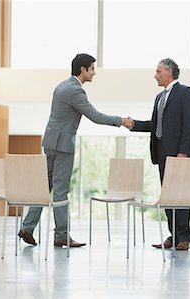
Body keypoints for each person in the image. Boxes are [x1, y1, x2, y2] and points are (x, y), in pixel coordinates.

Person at [18, 53, 134, 247]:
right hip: (63, 146)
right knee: (60, 191)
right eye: (92, 69)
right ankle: (61, 235)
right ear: (83, 69)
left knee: (43, 188)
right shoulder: (75, 91)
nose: (94, 73)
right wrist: (121, 121)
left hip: (50, 143)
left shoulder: (61, 86)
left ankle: (27, 228)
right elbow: (95, 116)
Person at [129, 58, 190, 250]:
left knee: (181, 196)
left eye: (158, 71)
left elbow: (189, 124)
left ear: (169, 72)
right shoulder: (159, 98)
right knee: (168, 197)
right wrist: (134, 125)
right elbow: (155, 126)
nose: (155, 75)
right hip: (162, 154)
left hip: (179, 155)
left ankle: (185, 237)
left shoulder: (186, 93)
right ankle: (173, 236)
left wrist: (183, 152)